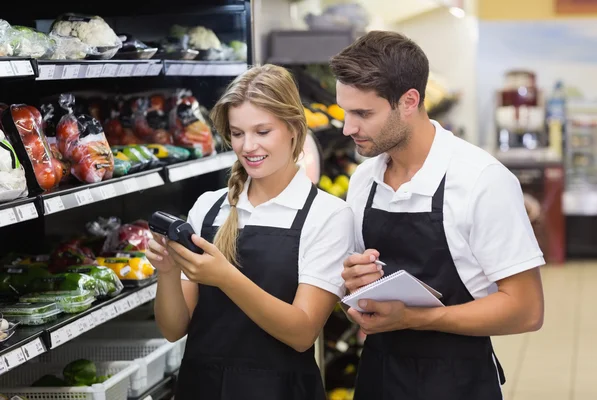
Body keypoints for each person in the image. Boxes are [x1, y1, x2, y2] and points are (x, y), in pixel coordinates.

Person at [331, 31, 545, 400]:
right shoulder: (364, 179)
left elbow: (526, 310)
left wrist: (415, 318)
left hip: (458, 381)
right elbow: (357, 283)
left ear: (409, 101)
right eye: (345, 112)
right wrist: (355, 282)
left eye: (363, 113)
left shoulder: (481, 180)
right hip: (379, 376)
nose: (348, 128)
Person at [147, 64, 355, 400]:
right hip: (202, 388)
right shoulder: (208, 207)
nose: (248, 146)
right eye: (238, 133)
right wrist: (167, 273)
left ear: (292, 128)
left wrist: (226, 277)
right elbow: (173, 329)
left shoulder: (328, 215)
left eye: (262, 131)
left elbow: (302, 332)